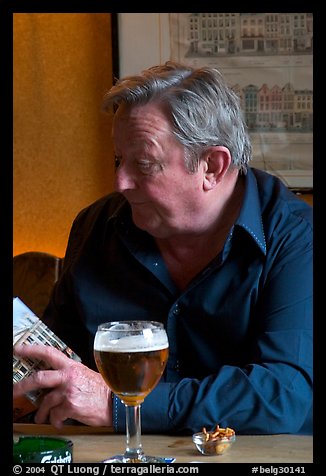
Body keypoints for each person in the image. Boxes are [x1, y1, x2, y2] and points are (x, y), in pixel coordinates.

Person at [13, 61, 313, 435]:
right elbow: (58, 370)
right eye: (119, 160)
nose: (120, 182)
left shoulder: (296, 237)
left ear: (212, 167)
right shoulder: (95, 227)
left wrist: (117, 405)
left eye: (143, 164)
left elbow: (282, 396)